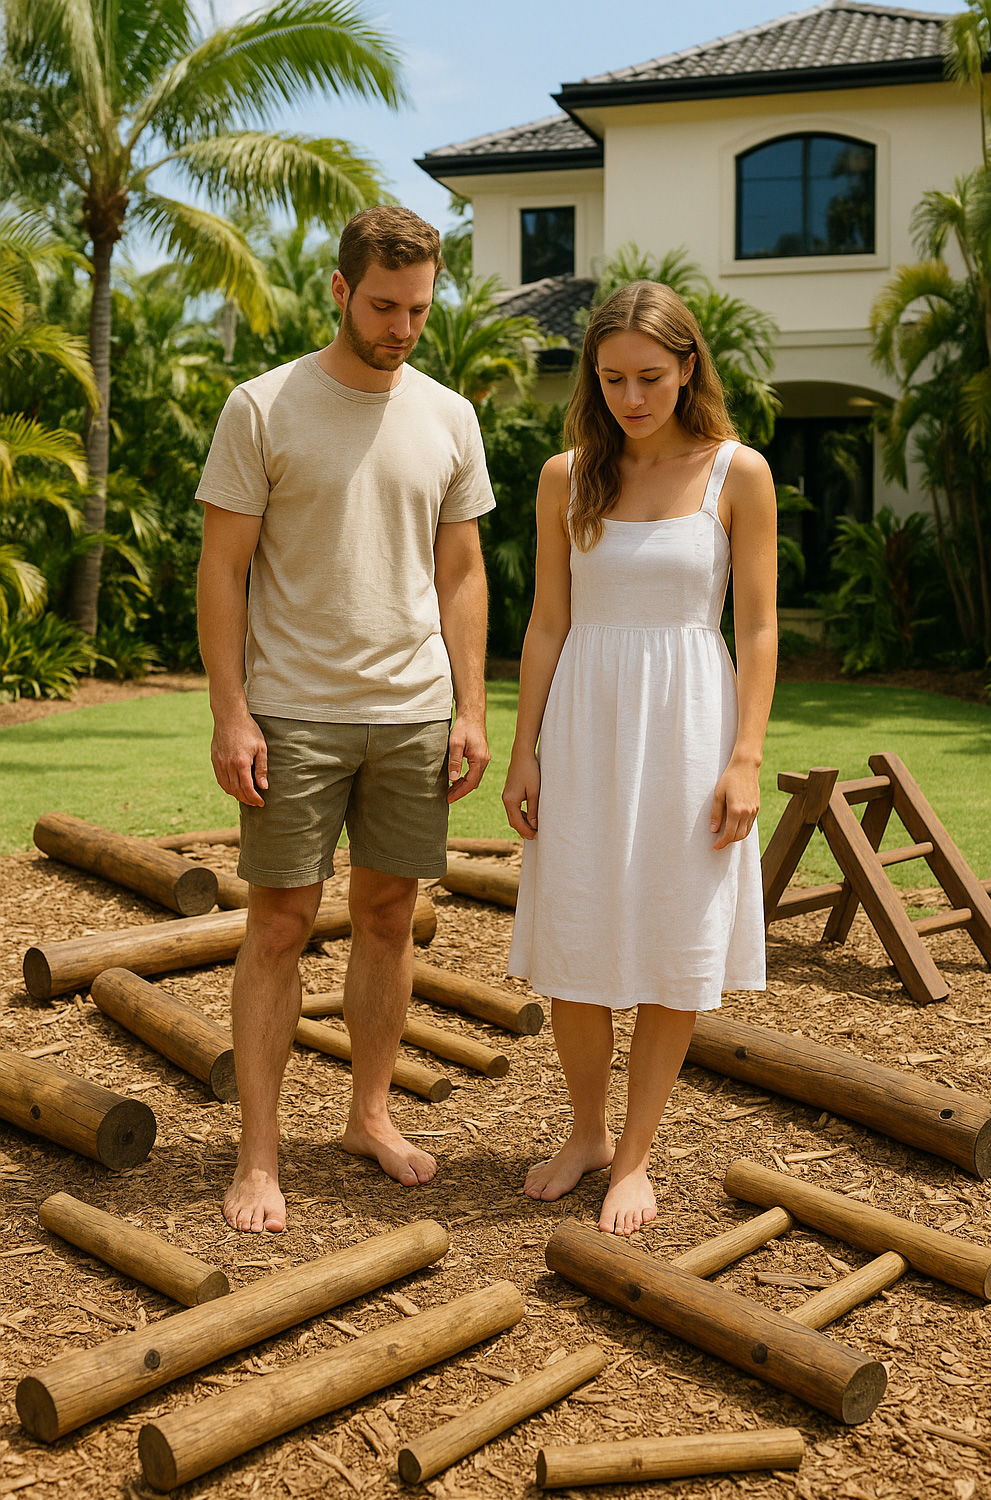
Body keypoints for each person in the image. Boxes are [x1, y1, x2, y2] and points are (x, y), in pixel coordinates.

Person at [196, 206, 496, 1234]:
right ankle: (258, 1156)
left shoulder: (449, 416)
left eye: (416, 308)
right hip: (292, 712)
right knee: (278, 924)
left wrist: (469, 706)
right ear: (339, 289)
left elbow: (461, 572)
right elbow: (223, 570)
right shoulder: (264, 406)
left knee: (385, 918)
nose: (401, 326)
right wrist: (230, 713)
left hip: (411, 714)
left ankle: (370, 1116)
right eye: (382, 305)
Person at [502, 280, 777, 1237]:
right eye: (612, 378)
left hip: (691, 727)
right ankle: (584, 1133)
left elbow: (759, 627)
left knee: (670, 934)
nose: (631, 396)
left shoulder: (739, 473)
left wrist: (745, 758)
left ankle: (635, 1155)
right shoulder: (564, 476)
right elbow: (545, 624)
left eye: (651, 377)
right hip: (584, 722)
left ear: (688, 366)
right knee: (577, 930)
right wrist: (523, 752)